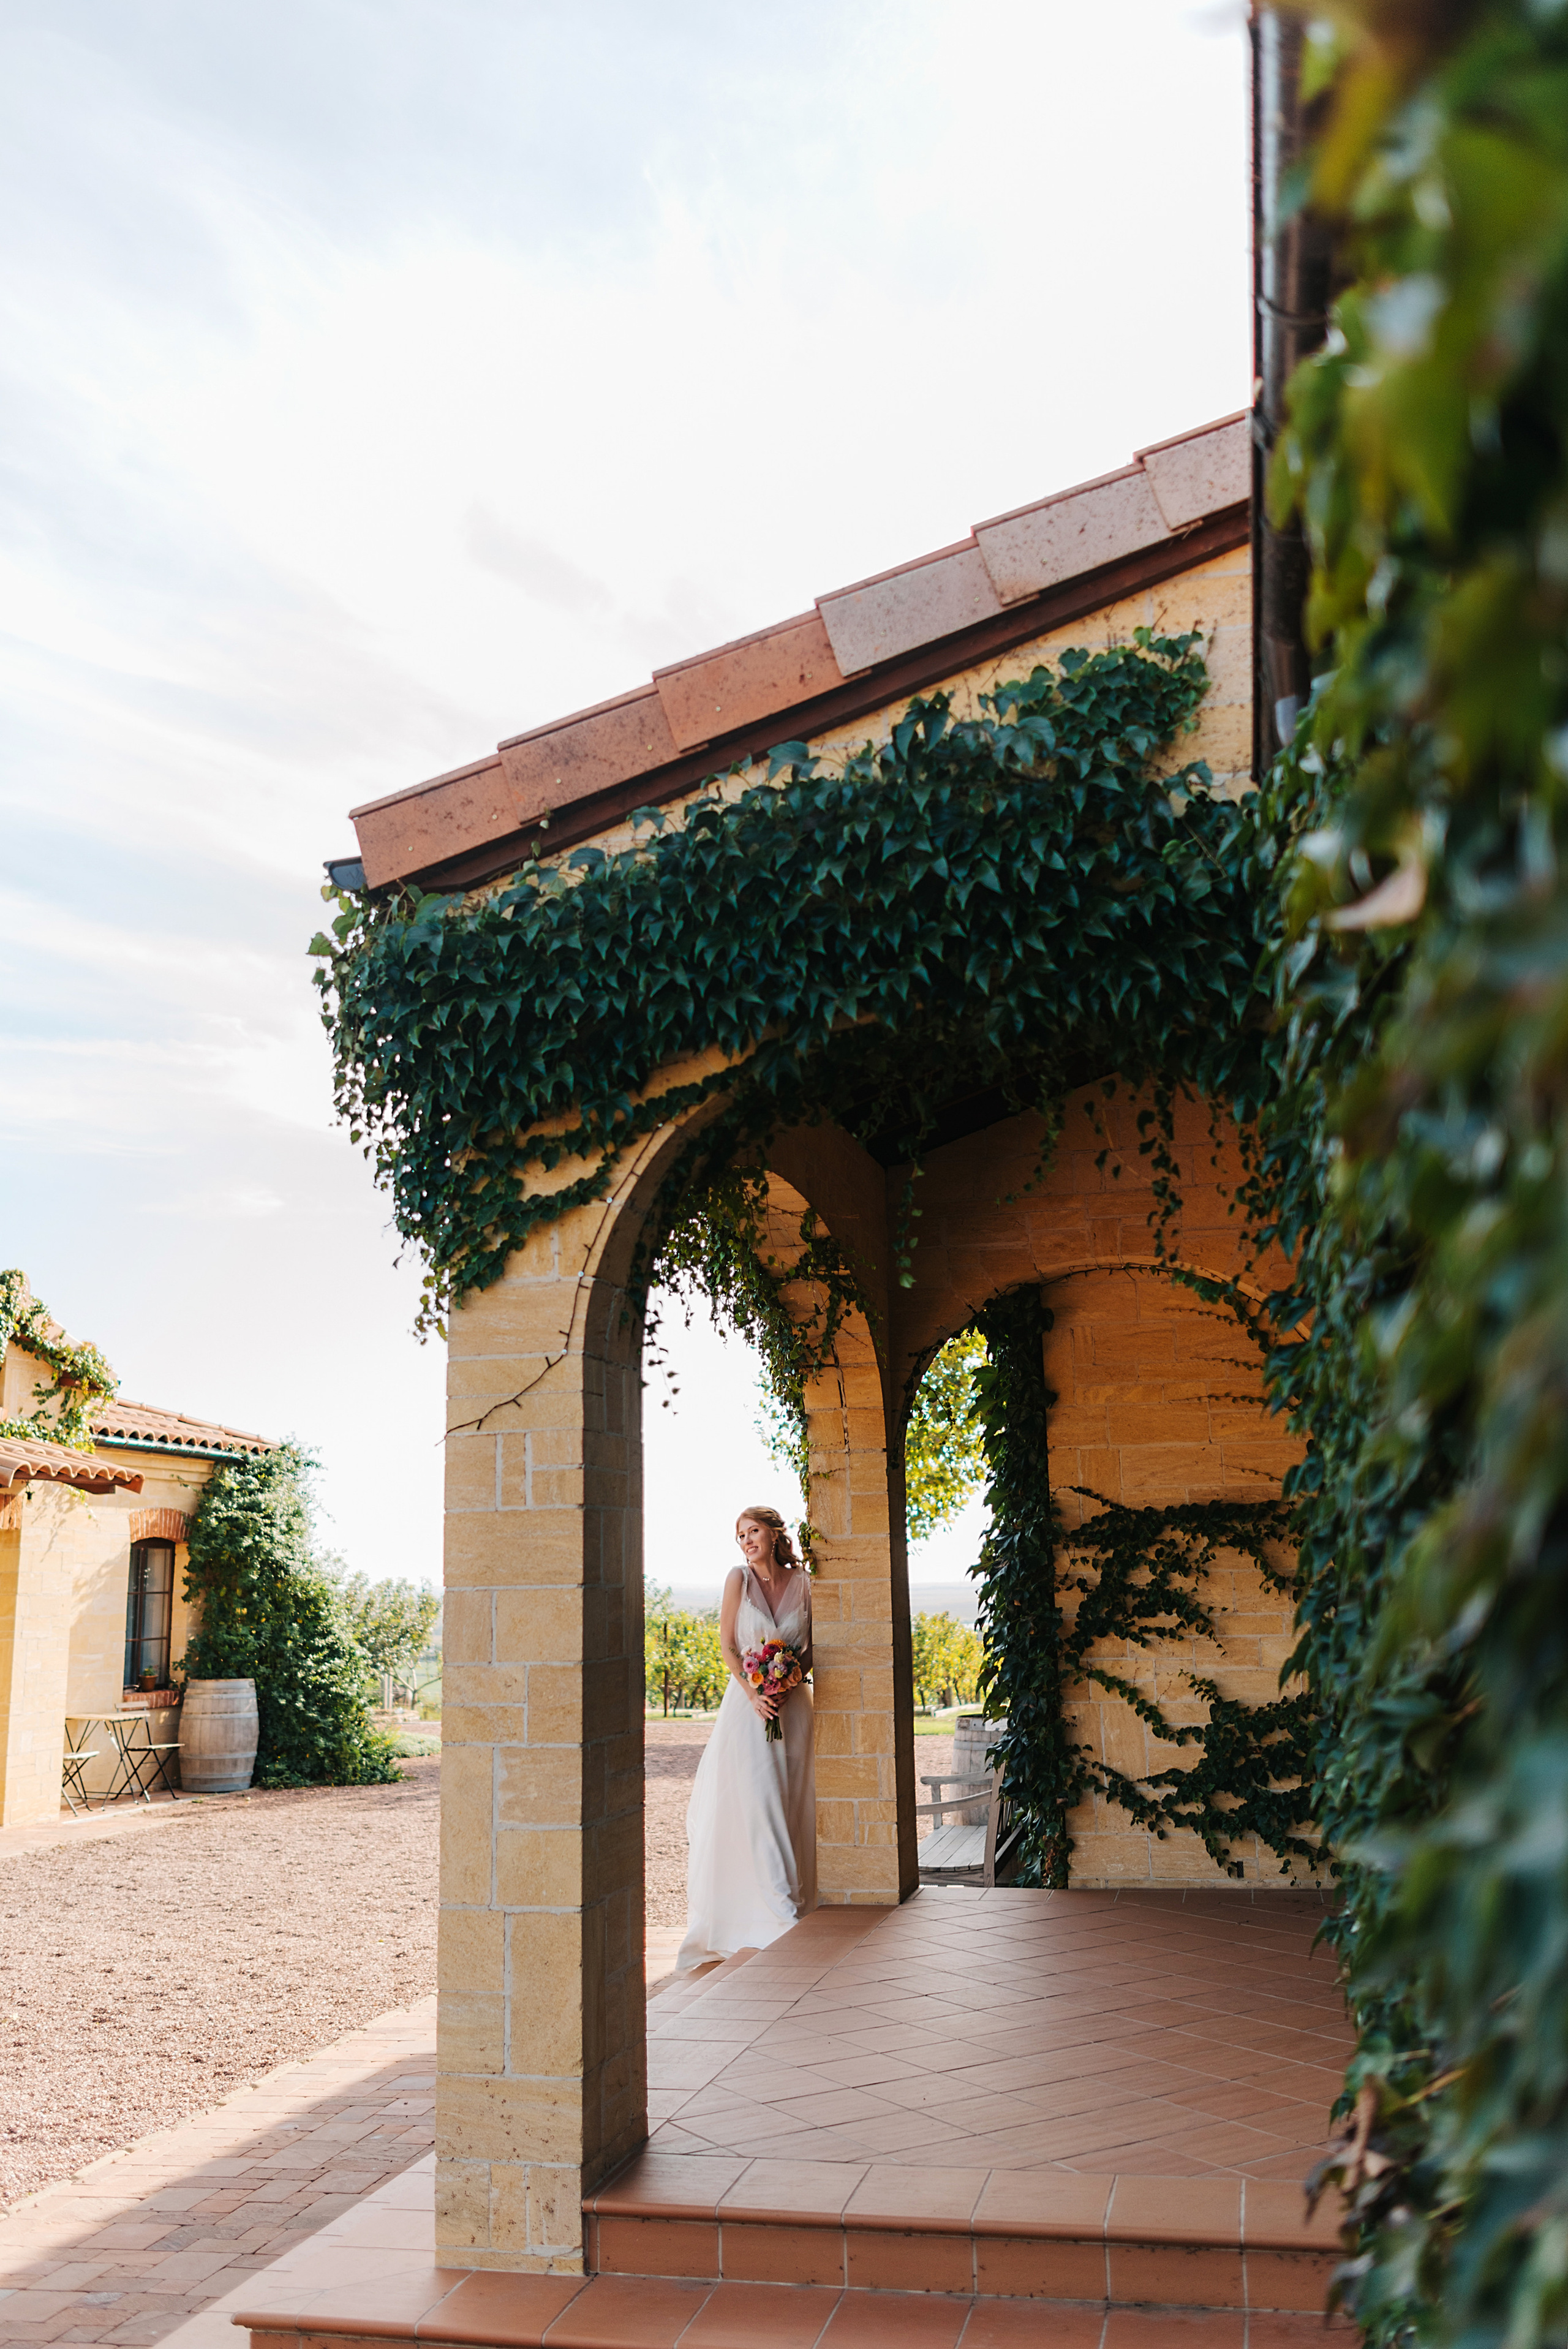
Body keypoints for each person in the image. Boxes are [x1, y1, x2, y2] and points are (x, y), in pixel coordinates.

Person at [675, 1504, 816, 1973]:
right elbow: (727, 1646)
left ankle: (791, 1894)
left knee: (792, 1798)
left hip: (793, 1709)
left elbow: (812, 1646)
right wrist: (756, 1692)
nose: (746, 1540)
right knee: (760, 1799)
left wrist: (792, 1677)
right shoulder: (738, 1578)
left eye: (753, 1531)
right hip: (749, 1707)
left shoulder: (803, 1583)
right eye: (740, 1535)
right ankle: (779, 1910)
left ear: (775, 1534)